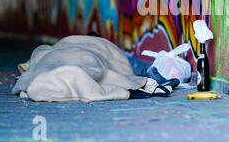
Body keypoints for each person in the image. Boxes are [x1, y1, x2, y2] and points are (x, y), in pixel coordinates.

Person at [12, 32, 174, 102]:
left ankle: (47, 79)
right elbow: (120, 66)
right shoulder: (102, 46)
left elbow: (37, 57)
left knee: (48, 66)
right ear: (99, 39)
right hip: (85, 55)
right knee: (90, 68)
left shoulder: (56, 46)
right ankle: (71, 77)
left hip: (58, 55)